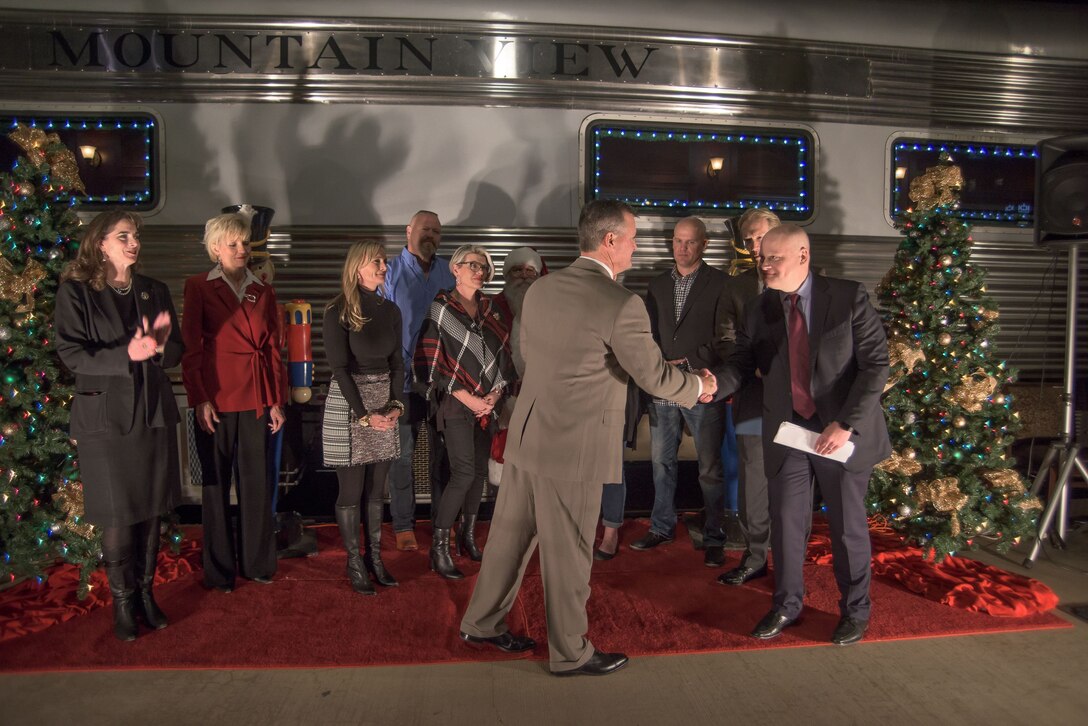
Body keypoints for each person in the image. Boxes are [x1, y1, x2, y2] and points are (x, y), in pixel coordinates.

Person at [459, 200, 714, 677]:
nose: (638, 247)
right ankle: (570, 653)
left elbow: (530, 358)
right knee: (571, 552)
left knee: (508, 538)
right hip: (573, 448)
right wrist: (699, 386)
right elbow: (655, 377)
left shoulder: (540, 290)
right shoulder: (622, 303)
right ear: (610, 241)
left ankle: (482, 622)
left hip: (528, 437)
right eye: (634, 238)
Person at [712, 224, 890, 646]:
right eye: (762, 258)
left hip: (839, 432)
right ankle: (786, 605)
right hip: (789, 431)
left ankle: (855, 611)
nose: (765, 264)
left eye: (774, 257)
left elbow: (876, 365)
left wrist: (845, 424)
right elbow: (741, 365)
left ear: (803, 256)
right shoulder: (759, 309)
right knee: (786, 524)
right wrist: (712, 384)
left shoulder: (847, 296)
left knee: (847, 527)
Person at [54, 211, 183, 641]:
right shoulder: (77, 292)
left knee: (149, 509)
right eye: (123, 236)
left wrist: (160, 349)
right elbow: (71, 353)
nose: (134, 243)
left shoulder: (153, 290)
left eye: (136, 236)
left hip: (152, 413)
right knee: (118, 513)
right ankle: (123, 604)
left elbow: (176, 346)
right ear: (100, 244)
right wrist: (126, 353)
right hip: (105, 418)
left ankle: (147, 594)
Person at [182, 212, 286, 593]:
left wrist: (277, 401)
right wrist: (200, 399)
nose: (242, 249)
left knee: (256, 485)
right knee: (215, 487)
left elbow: (274, 348)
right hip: (216, 400)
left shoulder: (264, 288)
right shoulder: (197, 286)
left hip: (257, 398)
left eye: (245, 243)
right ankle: (220, 571)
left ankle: (258, 563)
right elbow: (192, 348)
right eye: (233, 244)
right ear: (215, 250)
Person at [630, 216, 731, 567]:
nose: (682, 248)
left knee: (709, 466)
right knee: (661, 462)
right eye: (677, 241)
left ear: (704, 244)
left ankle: (715, 534)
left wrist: (689, 360)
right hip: (662, 384)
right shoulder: (657, 284)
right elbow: (649, 333)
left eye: (689, 242)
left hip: (702, 384)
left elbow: (726, 335)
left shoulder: (721, 283)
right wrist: (658, 362)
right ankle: (661, 527)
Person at [414, 245, 512, 579]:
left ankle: (468, 539)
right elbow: (429, 363)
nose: (479, 271)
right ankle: (438, 548)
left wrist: (496, 392)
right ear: (455, 269)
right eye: (472, 265)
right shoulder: (441, 309)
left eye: (484, 266)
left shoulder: (491, 310)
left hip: (488, 405)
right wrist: (467, 396)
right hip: (456, 404)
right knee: (463, 472)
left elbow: (503, 358)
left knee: (480, 476)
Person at [322, 241, 405, 595]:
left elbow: (398, 364)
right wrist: (364, 416)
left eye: (384, 262)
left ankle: (375, 559)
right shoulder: (337, 310)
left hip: (384, 401)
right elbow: (340, 370)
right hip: (349, 405)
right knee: (352, 492)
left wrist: (396, 406)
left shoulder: (391, 310)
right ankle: (354, 561)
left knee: (376, 492)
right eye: (377, 262)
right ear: (358, 267)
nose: (384, 267)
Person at [384, 210, 456, 551]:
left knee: (443, 455)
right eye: (426, 229)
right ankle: (402, 524)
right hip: (403, 383)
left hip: (442, 383)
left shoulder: (448, 272)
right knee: (402, 456)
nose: (432, 236)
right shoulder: (389, 272)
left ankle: (443, 523)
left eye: (438, 232)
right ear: (408, 230)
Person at [719, 208, 781, 586]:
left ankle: (790, 556)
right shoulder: (737, 287)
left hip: (798, 405)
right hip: (753, 398)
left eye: (760, 237)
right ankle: (756, 556)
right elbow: (726, 338)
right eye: (749, 240)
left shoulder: (810, 282)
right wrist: (754, 367)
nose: (755, 246)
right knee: (753, 482)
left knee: (794, 481)